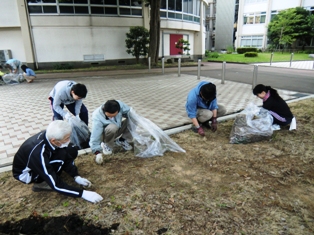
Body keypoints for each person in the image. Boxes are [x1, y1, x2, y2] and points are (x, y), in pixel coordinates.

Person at [12, 120, 103, 204]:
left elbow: (66, 155)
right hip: (28, 174)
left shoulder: (49, 136)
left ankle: (62, 172)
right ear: (54, 141)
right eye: (67, 138)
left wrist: (76, 176)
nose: (69, 140)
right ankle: (41, 183)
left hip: (40, 161)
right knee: (59, 160)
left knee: (70, 150)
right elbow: (56, 185)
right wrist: (83, 194)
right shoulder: (38, 153)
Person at [89, 100, 133, 164]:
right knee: (113, 127)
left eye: (114, 116)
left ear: (118, 110)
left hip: (117, 129)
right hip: (105, 134)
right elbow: (95, 135)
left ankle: (122, 140)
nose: (111, 117)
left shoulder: (119, 105)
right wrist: (97, 152)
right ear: (104, 110)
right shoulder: (97, 116)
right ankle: (107, 145)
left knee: (133, 119)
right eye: (109, 116)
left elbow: (130, 112)